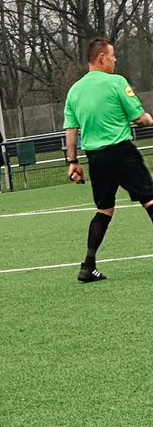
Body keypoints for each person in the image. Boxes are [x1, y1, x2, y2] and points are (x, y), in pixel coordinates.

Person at [64, 37, 153, 283]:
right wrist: (148, 118)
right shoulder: (116, 83)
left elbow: (71, 130)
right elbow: (139, 118)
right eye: (112, 56)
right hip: (121, 152)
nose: (115, 60)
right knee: (150, 199)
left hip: (96, 158)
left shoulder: (75, 91)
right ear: (101, 57)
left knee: (104, 210)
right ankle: (88, 266)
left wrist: (72, 162)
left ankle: (88, 266)